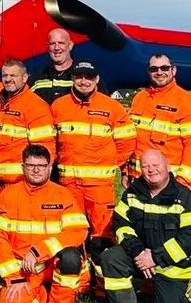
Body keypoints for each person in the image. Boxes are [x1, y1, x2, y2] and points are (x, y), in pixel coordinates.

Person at [51, 60, 136, 277]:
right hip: (69, 185)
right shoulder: (58, 106)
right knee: (72, 232)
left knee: (102, 236)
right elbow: (51, 141)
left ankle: (102, 284)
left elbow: (127, 141)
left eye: (89, 77)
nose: (84, 81)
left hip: (100, 187)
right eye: (79, 76)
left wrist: (109, 163)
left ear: (97, 79)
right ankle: (78, 280)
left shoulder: (112, 107)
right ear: (72, 78)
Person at [101, 150, 191, 303]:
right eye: (145, 166)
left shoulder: (184, 198)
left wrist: (155, 257)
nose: (151, 170)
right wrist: (138, 252)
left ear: (167, 167)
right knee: (111, 258)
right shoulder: (132, 194)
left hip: (174, 268)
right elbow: (121, 225)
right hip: (141, 256)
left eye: (156, 165)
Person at [0, 145, 89, 303]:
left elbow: (78, 231)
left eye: (41, 166)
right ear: (23, 167)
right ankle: (40, 294)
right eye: (31, 165)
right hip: (22, 270)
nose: (36, 170)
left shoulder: (63, 195)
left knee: (70, 257)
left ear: (50, 168)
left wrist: (38, 251)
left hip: (53, 265)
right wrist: (14, 277)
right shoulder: (8, 196)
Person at [127, 54, 191, 188]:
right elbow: (130, 140)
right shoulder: (139, 98)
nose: (159, 72)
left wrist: (183, 183)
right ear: (148, 71)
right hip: (137, 180)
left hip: (169, 183)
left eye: (164, 68)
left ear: (173, 70)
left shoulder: (187, 102)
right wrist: (127, 172)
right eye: (154, 69)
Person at [0, 58, 56, 193]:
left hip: (20, 183)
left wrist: (36, 182)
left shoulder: (36, 107)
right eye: (5, 75)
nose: (8, 79)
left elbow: (45, 148)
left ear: (25, 78)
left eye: (13, 75)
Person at [30, 28, 77, 105]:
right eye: (52, 44)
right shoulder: (37, 75)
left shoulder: (82, 74)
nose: (56, 48)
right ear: (48, 47)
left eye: (61, 43)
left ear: (70, 46)